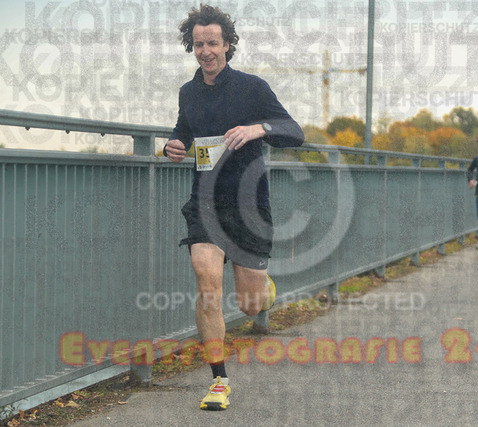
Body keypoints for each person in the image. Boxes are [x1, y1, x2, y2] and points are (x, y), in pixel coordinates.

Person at [163, 4, 304, 410]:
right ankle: (218, 380)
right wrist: (174, 145)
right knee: (206, 283)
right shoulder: (188, 92)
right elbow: (183, 132)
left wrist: (258, 129)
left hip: (249, 206)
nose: (205, 51)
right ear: (191, 46)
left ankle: (264, 289)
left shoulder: (252, 88)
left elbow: (294, 132)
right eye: (198, 44)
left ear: (227, 45)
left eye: (213, 43)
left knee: (250, 304)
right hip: (205, 203)